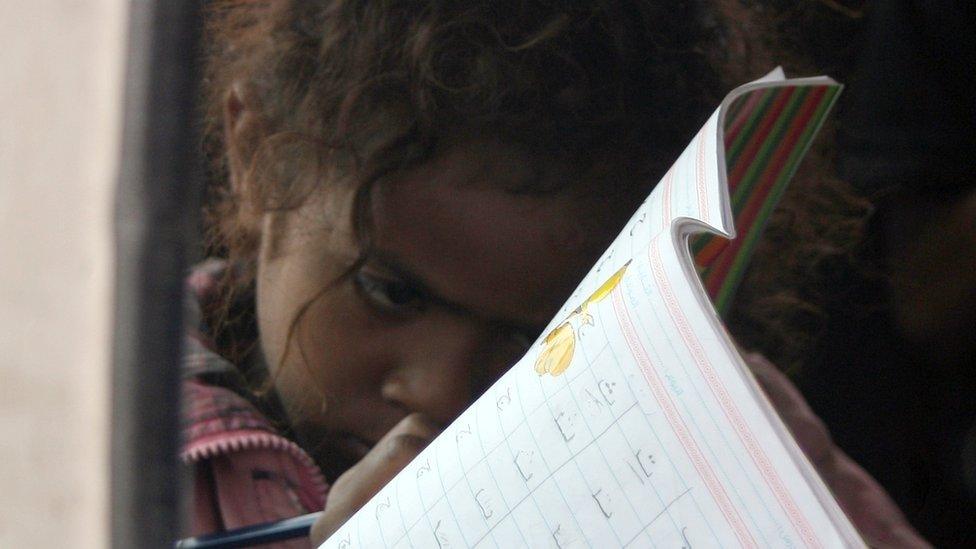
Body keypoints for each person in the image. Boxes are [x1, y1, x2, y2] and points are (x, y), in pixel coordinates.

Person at [183, 1, 928, 546]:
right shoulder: (105, 441)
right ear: (256, 153)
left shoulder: (724, 435)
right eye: (391, 291)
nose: (441, 392)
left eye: (542, 338)